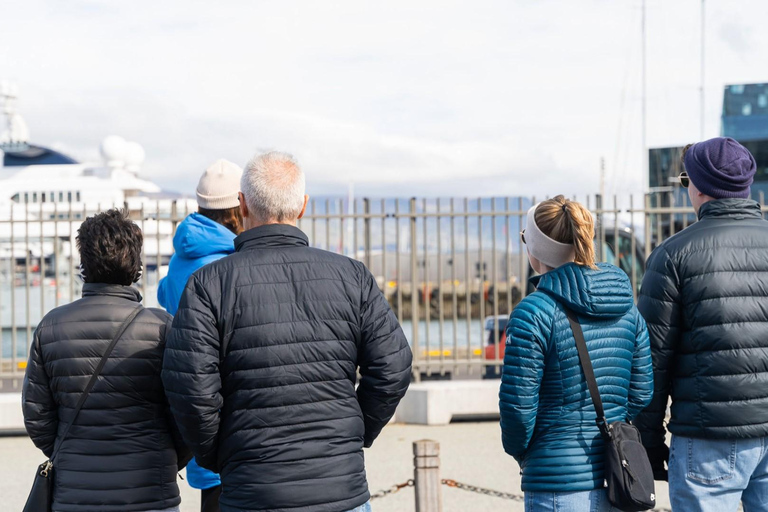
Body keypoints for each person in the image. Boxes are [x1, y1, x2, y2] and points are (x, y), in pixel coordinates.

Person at [162, 151, 413, 512]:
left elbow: (189, 387)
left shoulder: (209, 284)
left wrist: (220, 452)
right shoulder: (351, 276)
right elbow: (393, 367)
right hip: (340, 486)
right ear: (303, 206)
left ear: (243, 204)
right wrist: (354, 432)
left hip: (252, 490)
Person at [22, 209, 189, 512]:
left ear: (83, 264)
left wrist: (68, 452)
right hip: (150, 492)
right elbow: (187, 410)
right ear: (136, 267)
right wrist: (165, 456)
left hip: (74, 494)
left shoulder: (51, 326)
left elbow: (37, 416)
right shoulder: (162, 327)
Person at [635, 137, 768, 511]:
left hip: (708, 437)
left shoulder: (673, 255)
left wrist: (647, 441)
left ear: (698, 187)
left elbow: (651, 361)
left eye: (685, 180)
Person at [499, 195, 653, 512]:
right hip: (618, 476)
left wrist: (528, 453)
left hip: (557, 481)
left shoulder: (533, 312)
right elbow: (641, 391)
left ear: (535, 250)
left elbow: (518, 410)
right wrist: (612, 425)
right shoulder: (627, 306)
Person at [157, 158, 243, 512]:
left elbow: (164, 295)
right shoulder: (231, 263)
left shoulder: (182, 255)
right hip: (234, 412)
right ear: (239, 208)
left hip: (195, 403)